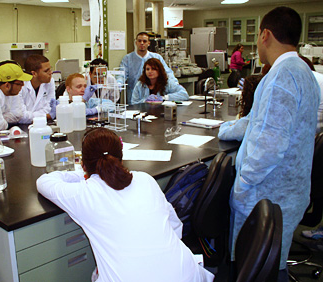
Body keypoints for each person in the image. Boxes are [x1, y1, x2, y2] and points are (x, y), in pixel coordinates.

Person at [37, 127, 214, 282]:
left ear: (84, 164)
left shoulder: (83, 193)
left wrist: (83, 174)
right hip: (187, 275)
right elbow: (176, 227)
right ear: (120, 158)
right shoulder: (145, 180)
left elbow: (44, 182)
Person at [221, 7, 320, 282]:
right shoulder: (301, 70)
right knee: (271, 261)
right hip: (288, 191)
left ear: (265, 34)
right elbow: (258, 122)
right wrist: (226, 130)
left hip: (266, 194)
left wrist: (243, 184)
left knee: (260, 268)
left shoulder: (281, 77)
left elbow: (270, 145)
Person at [119, 32, 178, 105]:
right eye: (139, 41)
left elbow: (167, 72)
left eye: (144, 41)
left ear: (149, 43)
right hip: (135, 97)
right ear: (136, 42)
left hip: (155, 95)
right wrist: (117, 86)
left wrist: (174, 84)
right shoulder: (128, 58)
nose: (142, 43)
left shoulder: (156, 57)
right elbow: (121, 75)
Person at [9, 55, 55, 123]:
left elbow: (49, 108)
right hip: (20, 126)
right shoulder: (20, 86)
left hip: (42, 123)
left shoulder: (50, 82)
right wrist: (47, 116)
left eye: (50, 69)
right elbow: (21, 116)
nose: (50, 73)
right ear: (34, 73)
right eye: (46, 71)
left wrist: (32, 116)